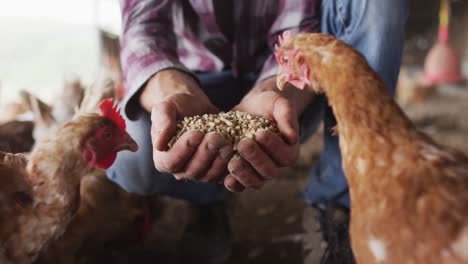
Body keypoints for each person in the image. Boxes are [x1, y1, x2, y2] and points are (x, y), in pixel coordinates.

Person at [107, 0, 409, 263]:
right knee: (132, 154)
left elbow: (296, 27)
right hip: (197, 80)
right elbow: (142, 28)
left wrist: (276, 91)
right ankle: (204, 199)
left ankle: (338, 199)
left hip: (279, 84)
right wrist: (172, 90)